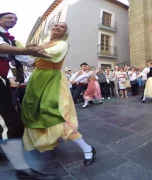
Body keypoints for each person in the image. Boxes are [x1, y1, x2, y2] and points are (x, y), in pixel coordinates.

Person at [21, 22, 96, 167]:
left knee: (58, 114)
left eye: (62, 27)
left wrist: (28, 49)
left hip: (52, 80)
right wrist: (20, 53)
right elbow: (31, 61)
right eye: (56, 25)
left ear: (65, 33)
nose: (57, 27)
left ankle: (87, 148)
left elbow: (51, 55)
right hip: (37, 80)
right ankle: (44, 141)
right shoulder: (44, 42)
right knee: (34, 112)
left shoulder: (62, 44)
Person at [0, 12, 59, 179]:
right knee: (11, 124)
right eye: (9, 17)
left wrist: (52, 60)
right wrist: (25, 49)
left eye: (16, 19)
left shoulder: (11, 41)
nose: (14, 20)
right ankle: (22, 170)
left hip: (2, 80)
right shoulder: (7, 42)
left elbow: (27, 59)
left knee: (8, 122)